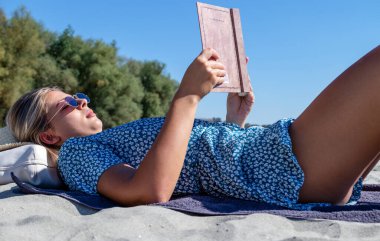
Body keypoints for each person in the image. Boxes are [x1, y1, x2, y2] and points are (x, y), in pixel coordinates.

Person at [6, 46, 380, 210]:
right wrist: (186, 97)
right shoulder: (77, 153)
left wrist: (234, 121)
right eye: (68, 103)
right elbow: (149, 190)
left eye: (80, 95)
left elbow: (191, 164)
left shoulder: (105, 143)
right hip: (284, 165)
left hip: (271, 158)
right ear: (49, 136)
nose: (82, 101)